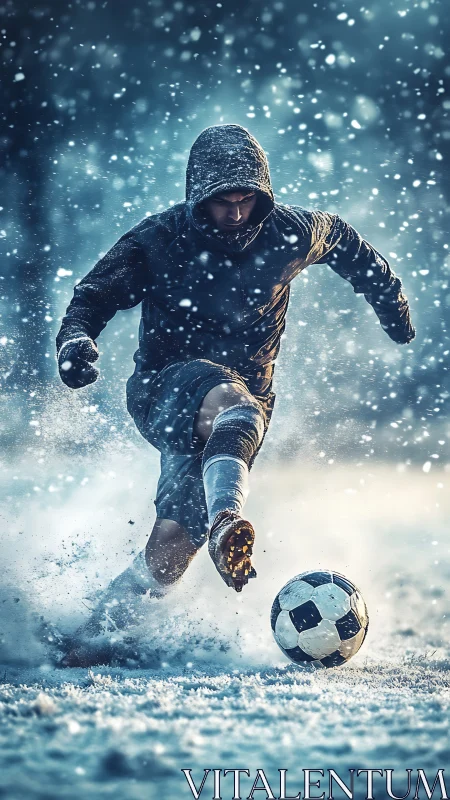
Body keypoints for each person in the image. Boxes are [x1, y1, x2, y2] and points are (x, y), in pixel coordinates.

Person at [56, 124, 415, 666]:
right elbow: (91, 298)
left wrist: (392, 305)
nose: (236, 214)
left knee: (175, 542)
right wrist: (77, 341)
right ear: (198, 195)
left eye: (247, 200)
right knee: (230, 401)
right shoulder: (159, 240)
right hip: (166, 387)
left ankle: (92, 638)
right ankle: (229, 516)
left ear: (263, 195)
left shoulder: (292, 231)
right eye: (223, 201)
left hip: (245, 403)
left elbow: (346, 242)